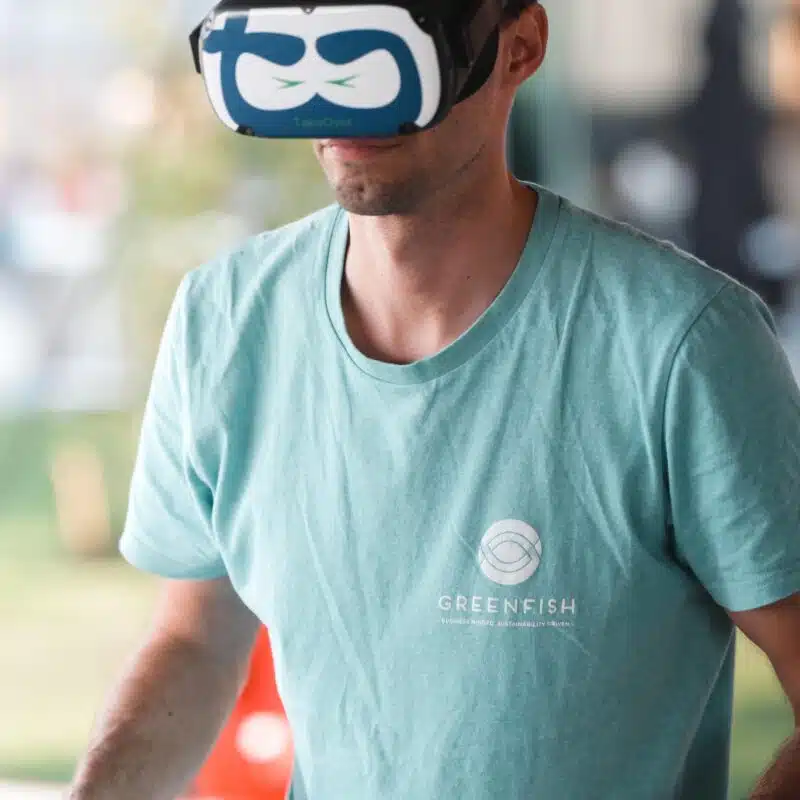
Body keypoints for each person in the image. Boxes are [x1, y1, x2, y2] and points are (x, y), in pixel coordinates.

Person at [69, 2, 800, 799]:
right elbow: (196, 641)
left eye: (387, 49)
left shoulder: (681, 343)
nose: (346, 103)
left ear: (519, 48)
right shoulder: (224, 321)